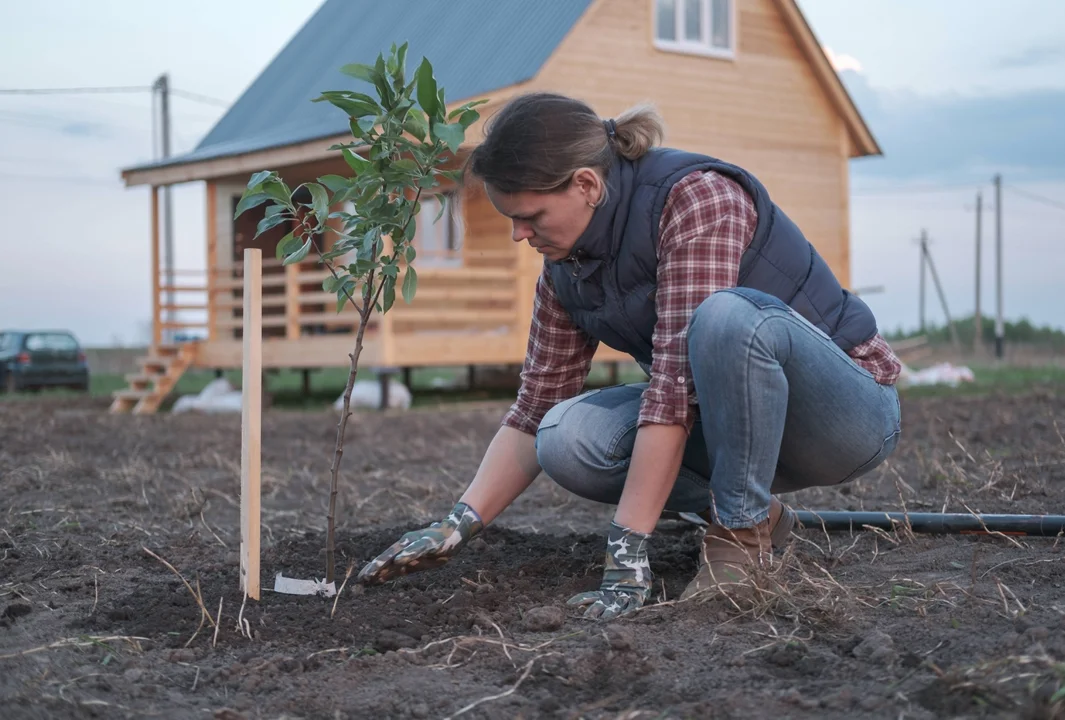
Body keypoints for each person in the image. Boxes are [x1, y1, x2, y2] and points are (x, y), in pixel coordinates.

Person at [355, 93, 902, 621]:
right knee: (565, 438)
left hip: (845, 419)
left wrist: (625, 555)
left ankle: (740, 535)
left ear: (587, 184)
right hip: (739, 428)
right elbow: (534, 405)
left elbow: (675, 386)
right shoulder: (565, 271)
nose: (519, 235)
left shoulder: (696, 198)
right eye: (510, 219)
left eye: (530, 216)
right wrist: (457, 524)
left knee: (726, 318)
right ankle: (759, 513)